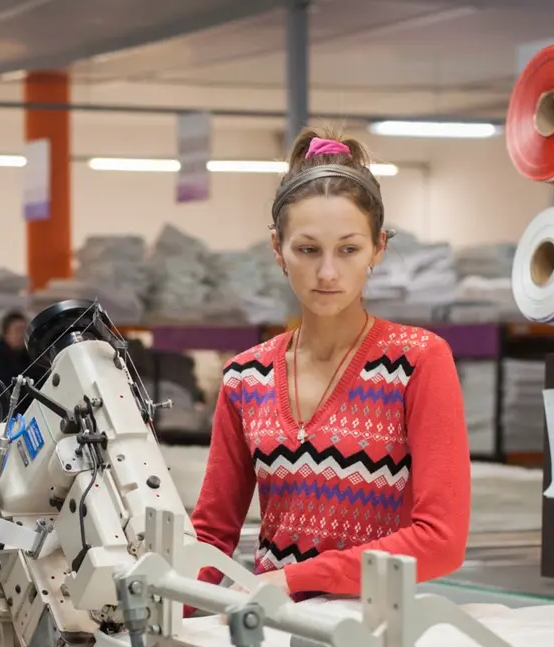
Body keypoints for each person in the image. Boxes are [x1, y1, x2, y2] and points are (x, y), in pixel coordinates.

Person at [191, 129, 471, 600]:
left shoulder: (416, 361)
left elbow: (441, 541)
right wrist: (160, 615)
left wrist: (297, 578)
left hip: (374, 626)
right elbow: (211, 536)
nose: (327, 272)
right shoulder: (246, 376)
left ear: (378, 248)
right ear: (277, 249)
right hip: (271, 626)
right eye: (307, 250)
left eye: (348, 249)